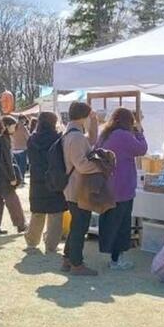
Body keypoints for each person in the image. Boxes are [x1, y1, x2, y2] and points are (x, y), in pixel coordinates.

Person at [96, 107, 148, 270]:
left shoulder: (105, 134)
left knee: (109, 222)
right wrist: (139, 132)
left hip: (107, 186)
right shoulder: (124, 136)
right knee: (122, 225)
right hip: (123, 187)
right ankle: (117, 259)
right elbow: (142, 149)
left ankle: (113, 256)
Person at [62, 101, 102, 276]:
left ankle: (68, 259)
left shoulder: (70, 133)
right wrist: (101, 167)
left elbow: (91, 141)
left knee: (76, 224)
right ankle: (76, 264)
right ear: (84, 117)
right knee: (80, 226)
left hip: (73, 187)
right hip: (77, 187)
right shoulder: (76, 137)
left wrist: (93, 124)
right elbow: (82, 165)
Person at [24, 111, 66, 255]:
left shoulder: (32, 139)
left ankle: (31, 242)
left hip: (37, 179)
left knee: (37, 212)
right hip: (55, 178)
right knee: (55, 214)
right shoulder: (59, 139)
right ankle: (51, 245)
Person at [0, 116, 26, 235]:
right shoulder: (3, 139)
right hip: (4, 176)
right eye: (13, 126)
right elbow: (7, 160)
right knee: (12, 200)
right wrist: (13, 177)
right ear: (6, 126)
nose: (15, 128)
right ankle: (21, 224)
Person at [10, 114, 30, 178]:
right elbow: (28, 137)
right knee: (22, 165)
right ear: (23, 119)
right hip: (22, 148)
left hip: (14, 148)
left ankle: (16, 177)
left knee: (16, 165)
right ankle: (21, 178)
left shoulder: (13, 126)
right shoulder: (23, 127)